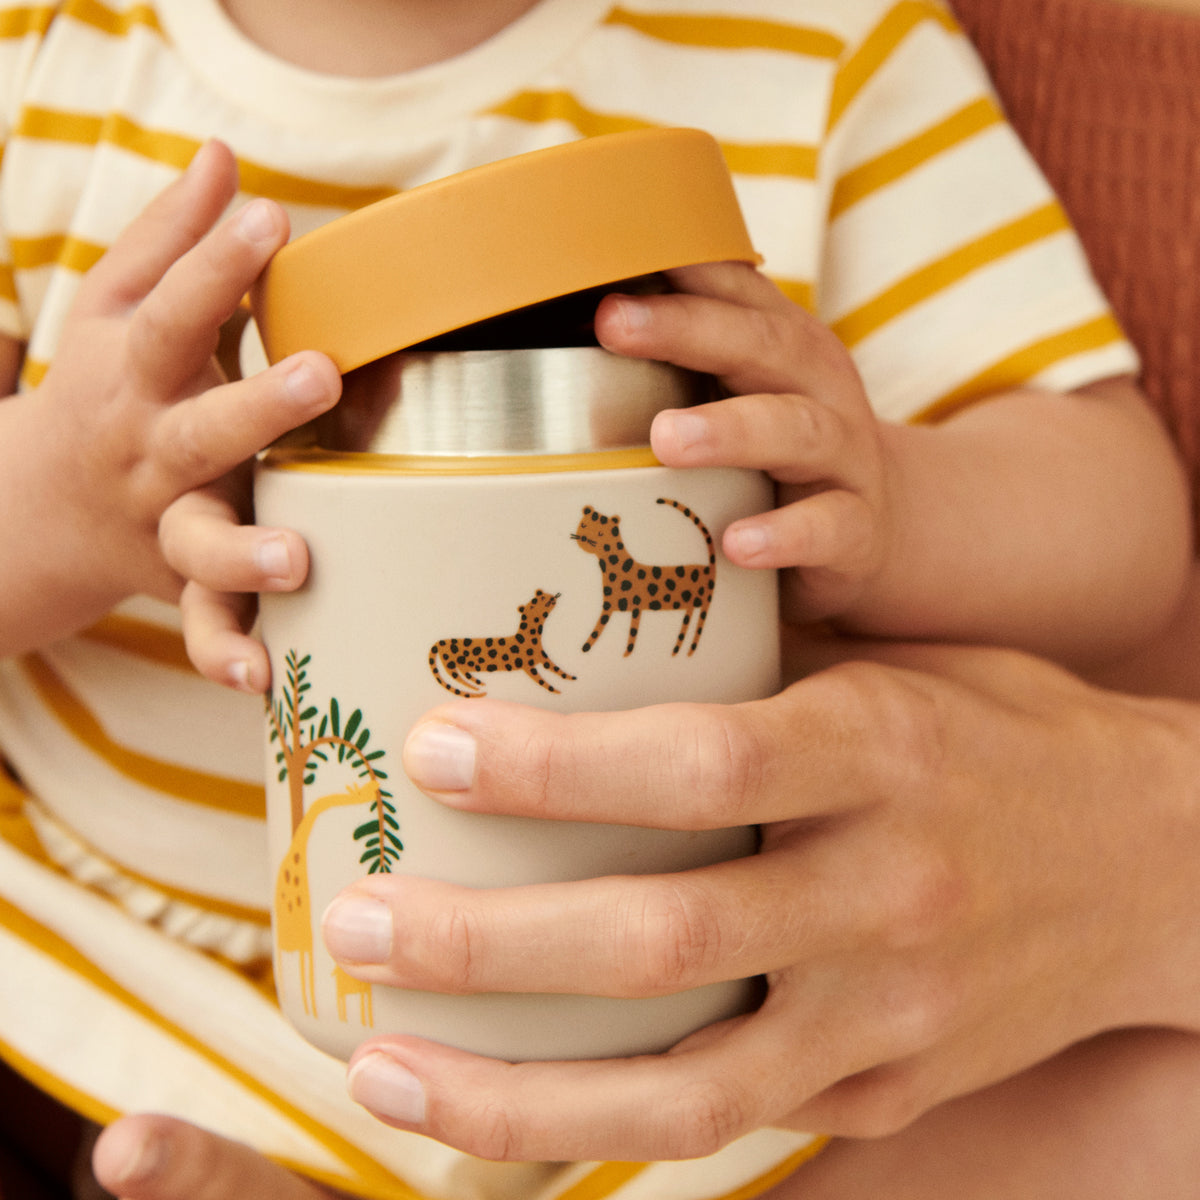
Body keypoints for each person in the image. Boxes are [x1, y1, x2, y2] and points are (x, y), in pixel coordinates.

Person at [0, 3, 1194, 1200]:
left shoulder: (822, 44)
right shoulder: (44, 48)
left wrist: (896, 499)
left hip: (702, 1017)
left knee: (1160, 1116)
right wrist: (59, 498)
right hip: (143, 974)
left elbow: (1128, 529)